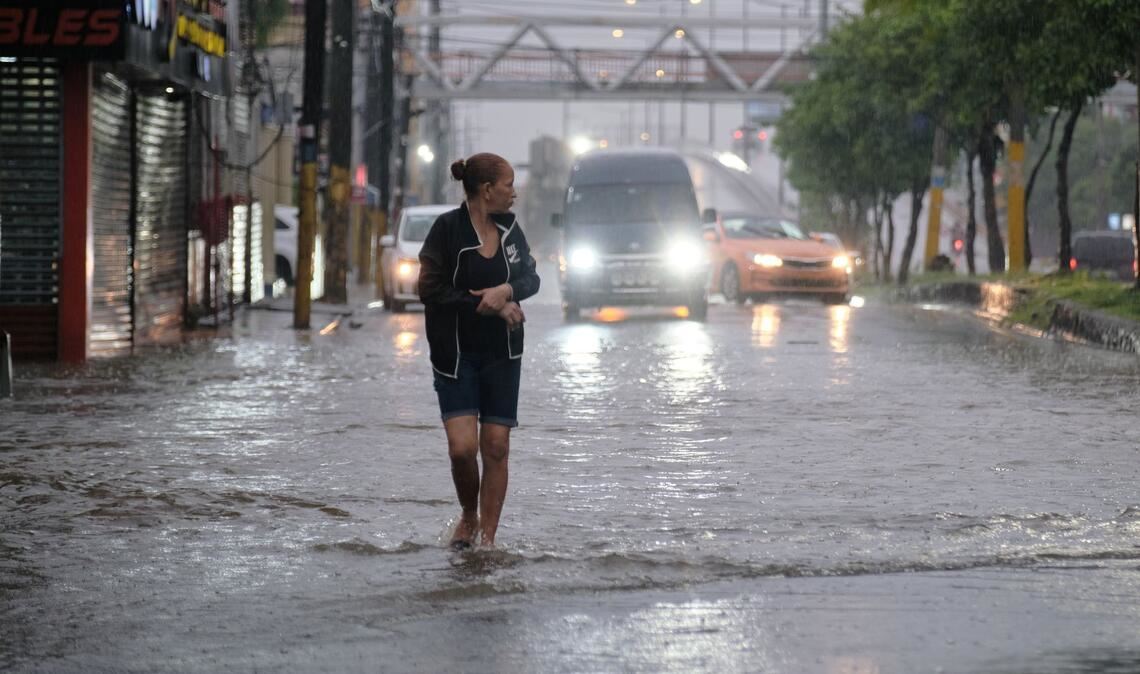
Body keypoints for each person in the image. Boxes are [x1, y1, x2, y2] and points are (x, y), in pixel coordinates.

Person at [417, 153, 541, 550]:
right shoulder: (446, 230)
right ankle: (468, 514)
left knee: (496, 446)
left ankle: (487, 540)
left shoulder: (510, 232)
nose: (514, 193)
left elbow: (531, 277)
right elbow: (429, 289)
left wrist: (507, 291)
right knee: (462, 449)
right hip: (455, 355)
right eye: (508, 185)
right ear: (487, 190)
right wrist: (485, 304)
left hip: (502, 353)